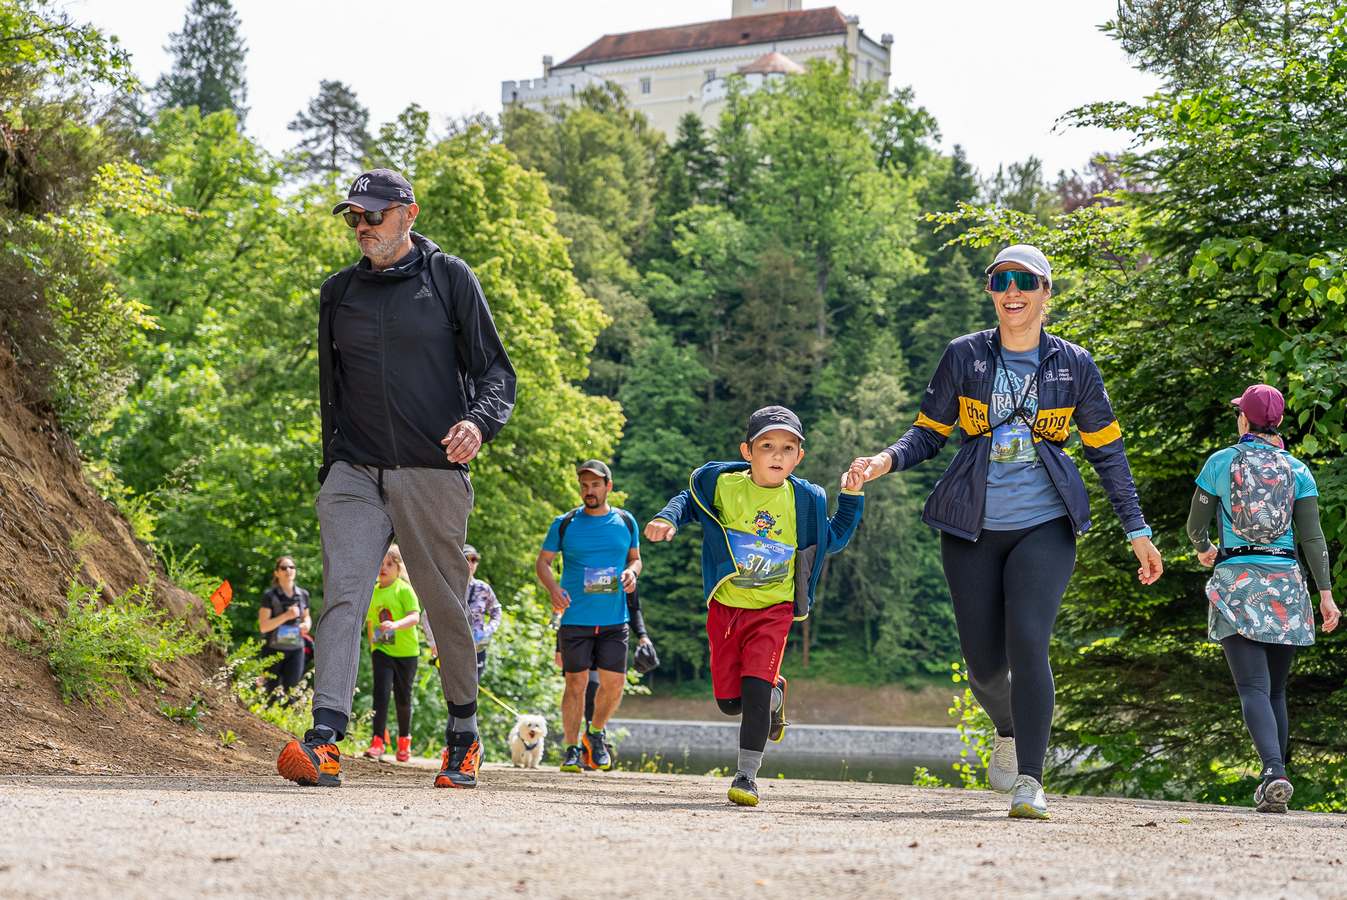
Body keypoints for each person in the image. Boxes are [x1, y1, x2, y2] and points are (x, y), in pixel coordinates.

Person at [846, 244, 1164, 820]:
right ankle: (1008, 727)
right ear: (991, 291)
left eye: (1024, 281)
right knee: (984, 666)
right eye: (1000, 280)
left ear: (1047, 292)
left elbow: (1108, 453)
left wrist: (1136, 529)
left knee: (1029, 643)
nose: (1011, 290)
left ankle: (1030, 782)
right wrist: (883, 461)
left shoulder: (1074, 366)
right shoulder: (964, 356)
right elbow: (927, 434)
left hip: (1045, 524)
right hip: (969, 527)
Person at [276, 168, 516, 790]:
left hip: (430, 467)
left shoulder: (447, 279)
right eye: (353, 217)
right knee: (343, 595)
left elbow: (496, 373)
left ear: (408, 213)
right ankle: (325, 737)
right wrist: (331, 461)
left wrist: (479, 425)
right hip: (354, 469)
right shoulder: (338, 292)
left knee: (441, 603)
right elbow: (331, 388)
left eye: (372, 216)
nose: (361, 228)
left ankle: (463, 732)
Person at [645, 406, 864, 807]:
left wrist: (850, 497)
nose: (777, 455)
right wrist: (668, 518)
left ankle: (747, 776)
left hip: (773, 608)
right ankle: (775, 695)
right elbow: (688, 501)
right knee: (730, 703)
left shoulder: (804, 499)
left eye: (787, 448)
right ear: (748, 451)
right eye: (767, 446)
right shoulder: (724, 485)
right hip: (727, 605)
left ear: (799, 456)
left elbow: (830, 540)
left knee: (755, 689)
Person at [1187, 383, 1340, 812]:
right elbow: (1312, 538)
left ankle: (1274, 771)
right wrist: (1325, 596)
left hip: (1238, 583)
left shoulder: (1221, 462)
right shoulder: (1298, 470)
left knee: (1252, 687)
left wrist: (1204, 550)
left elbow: (1195, 525)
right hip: (1287, 586)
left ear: (1244, 419)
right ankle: (1277, 774)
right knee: (1275, 691)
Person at [535, 460, 647, 773]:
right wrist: (553, 588)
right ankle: (571, 749)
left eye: (595, 485)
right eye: (584, 485)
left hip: (614, 618)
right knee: (575, 684)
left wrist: (631, 573)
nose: (589, 491)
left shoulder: (626, 521)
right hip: (575, 618)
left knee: (614, 684)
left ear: (608, 487)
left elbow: (636, 560)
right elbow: (543, 562)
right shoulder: (565, 522)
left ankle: (595, 734)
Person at [363, 545, 422, 763]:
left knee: (403, 697)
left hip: (407, 652)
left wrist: (395, 625)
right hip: (382, 649)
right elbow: (370, 622)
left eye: (389, 564)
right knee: (380, 694)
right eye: (381, 563)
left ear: (398, 568)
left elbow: (415, 617)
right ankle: (377, 740)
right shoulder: (373, 591)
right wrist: (373, 646)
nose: (383, 568)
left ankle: (404, 742)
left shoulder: (403, 590)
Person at [258, 556, 312, 700]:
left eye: (291, 567)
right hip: (273, 650)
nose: (288, 570)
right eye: (283, 568)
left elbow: (307, 616)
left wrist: (307, 624)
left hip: (296, 650)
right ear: (277, 573)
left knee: (292, 694)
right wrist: (286, 616)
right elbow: (263, 627)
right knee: (270, 693)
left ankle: (284, 721)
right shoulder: (269, 596)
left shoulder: (303, 595)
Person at [463, 545, 502, 680]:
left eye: (474, 559)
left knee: (472, 690)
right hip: (453, 647)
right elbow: (427, 615)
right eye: (467, 559)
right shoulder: (448, 587)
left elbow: (496, 610)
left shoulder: (483, 588)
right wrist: (434, 643)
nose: (471, 563)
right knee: (452, 691)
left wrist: (488, 630)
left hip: (477, 647)